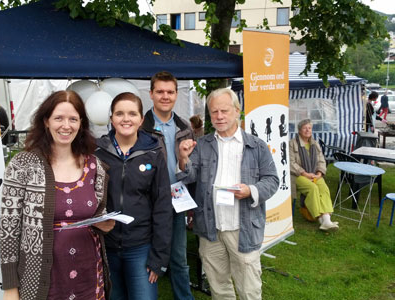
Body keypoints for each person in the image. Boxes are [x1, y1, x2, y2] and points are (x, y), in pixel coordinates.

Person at [0, 90, 114, 300]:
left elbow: (98, 213)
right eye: (58, 118)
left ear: (81, 123)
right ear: (46, 121)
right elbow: (9, 229)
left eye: (73, 119)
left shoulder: (93, 165)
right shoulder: (22, 165)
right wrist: (10, 286)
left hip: (88, 275)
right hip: (41, 281)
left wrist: (104, 223)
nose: (66, 126)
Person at [177, 88, 279, 300]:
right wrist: (183, 158)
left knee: (249, 290)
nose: (220, 116)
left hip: (243, 228)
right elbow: (189, 176)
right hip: (210, 228)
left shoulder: (256, 146)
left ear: (237, 111)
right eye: (214, 112)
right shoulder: (202, 145)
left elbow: (272, 180)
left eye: (224, 110)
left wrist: (250, 190)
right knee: (219, 288)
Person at [95, 92, 172, 300]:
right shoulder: (97, 152)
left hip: (141, 247)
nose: (125, 119)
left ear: (140, 119)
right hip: (107, 247)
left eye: (132, 113)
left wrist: (159, 256)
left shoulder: (154, 152)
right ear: (111, 119)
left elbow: (163, 206)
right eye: (119, 113)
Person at [141, 71, 195, 300]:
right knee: (145, 254)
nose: (165, 96)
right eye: (160, 91)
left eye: (170, 92)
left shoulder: (185, 126)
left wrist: (183, 160)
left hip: (177, 200)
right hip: (147, 201)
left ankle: (184, 297)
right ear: (151, 94)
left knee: (179, 257)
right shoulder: (140, 126)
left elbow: (191, 170)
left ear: (175, 94)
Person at [289, 119, 339, 231]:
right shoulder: (292, 144)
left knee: (324, 188)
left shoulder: (314, 143)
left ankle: (326, 220)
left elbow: (321, 160)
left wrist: (319, 173)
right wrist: (305, 174)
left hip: (314, 174)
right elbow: (291, 163)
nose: (308, 130)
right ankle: (323, 220)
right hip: (298, 175)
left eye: (310, 128)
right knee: (313, 188)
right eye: (305, 128)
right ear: (299, 130)